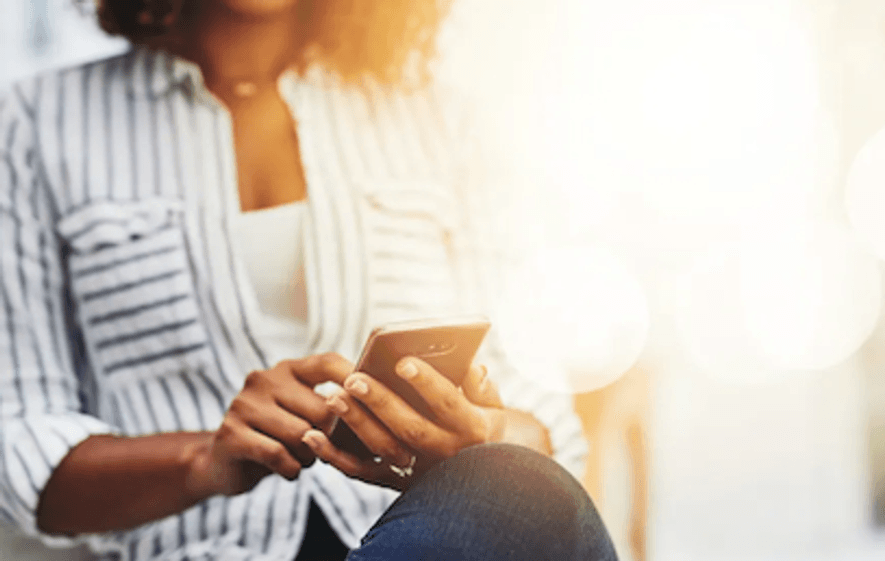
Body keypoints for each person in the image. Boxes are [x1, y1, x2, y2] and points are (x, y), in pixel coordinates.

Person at [0, 0, 617, 560]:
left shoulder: (438, 120)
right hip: (200, 551)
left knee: (523, 486)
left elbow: (543, 427)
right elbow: (26, 450)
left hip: (425, 539)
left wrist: (478, 437)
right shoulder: (35, 125)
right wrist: (206, 459)